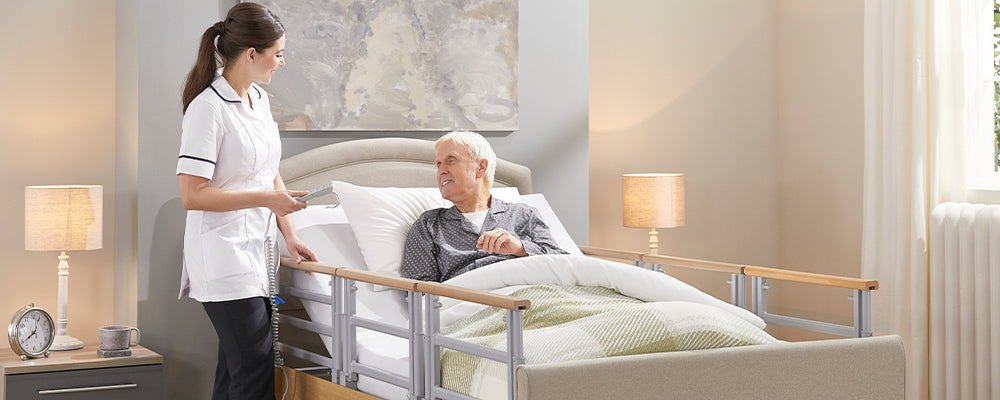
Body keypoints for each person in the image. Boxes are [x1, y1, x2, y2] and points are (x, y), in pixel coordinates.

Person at [175, 4, 315, 400]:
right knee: (254, 372)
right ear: (252, 54)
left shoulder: (258, 99)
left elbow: (270, 169)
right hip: (222, 254)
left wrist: (289, 234)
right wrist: (268, 200)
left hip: (258, 252)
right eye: (279, 52)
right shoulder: (208, 109)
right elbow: (192, 194)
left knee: (236, 370)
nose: (283, 62)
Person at [401, 131, 567, 282]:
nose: (441, 171)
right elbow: (420, 293)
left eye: (450, 161)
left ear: (480, 167)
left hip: (534, 296)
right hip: (474, 307)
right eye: (438, 164)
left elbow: (564, 263)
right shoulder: (429, 225)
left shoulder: (523, 215)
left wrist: (520, 248)